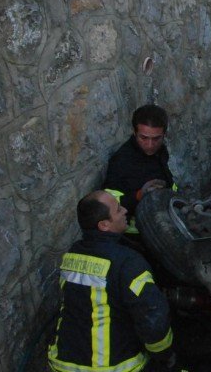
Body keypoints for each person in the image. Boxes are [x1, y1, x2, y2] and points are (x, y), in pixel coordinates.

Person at [48, 191, 175, 371]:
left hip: (63, 365)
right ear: (104, 225)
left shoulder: (73, 255)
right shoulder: (128, 263)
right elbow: (153, 319)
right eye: (118, 209)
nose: (125, 210)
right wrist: (163, 355)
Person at [104, 104, 174, 229]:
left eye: (157, 138)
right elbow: (109, 204)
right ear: (134, 132)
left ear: (164, 134)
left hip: (163, 221)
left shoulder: (161, 152)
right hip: (136, 232)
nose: (150, 145)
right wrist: (138, 195)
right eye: (144, 138)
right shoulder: (121, 161)